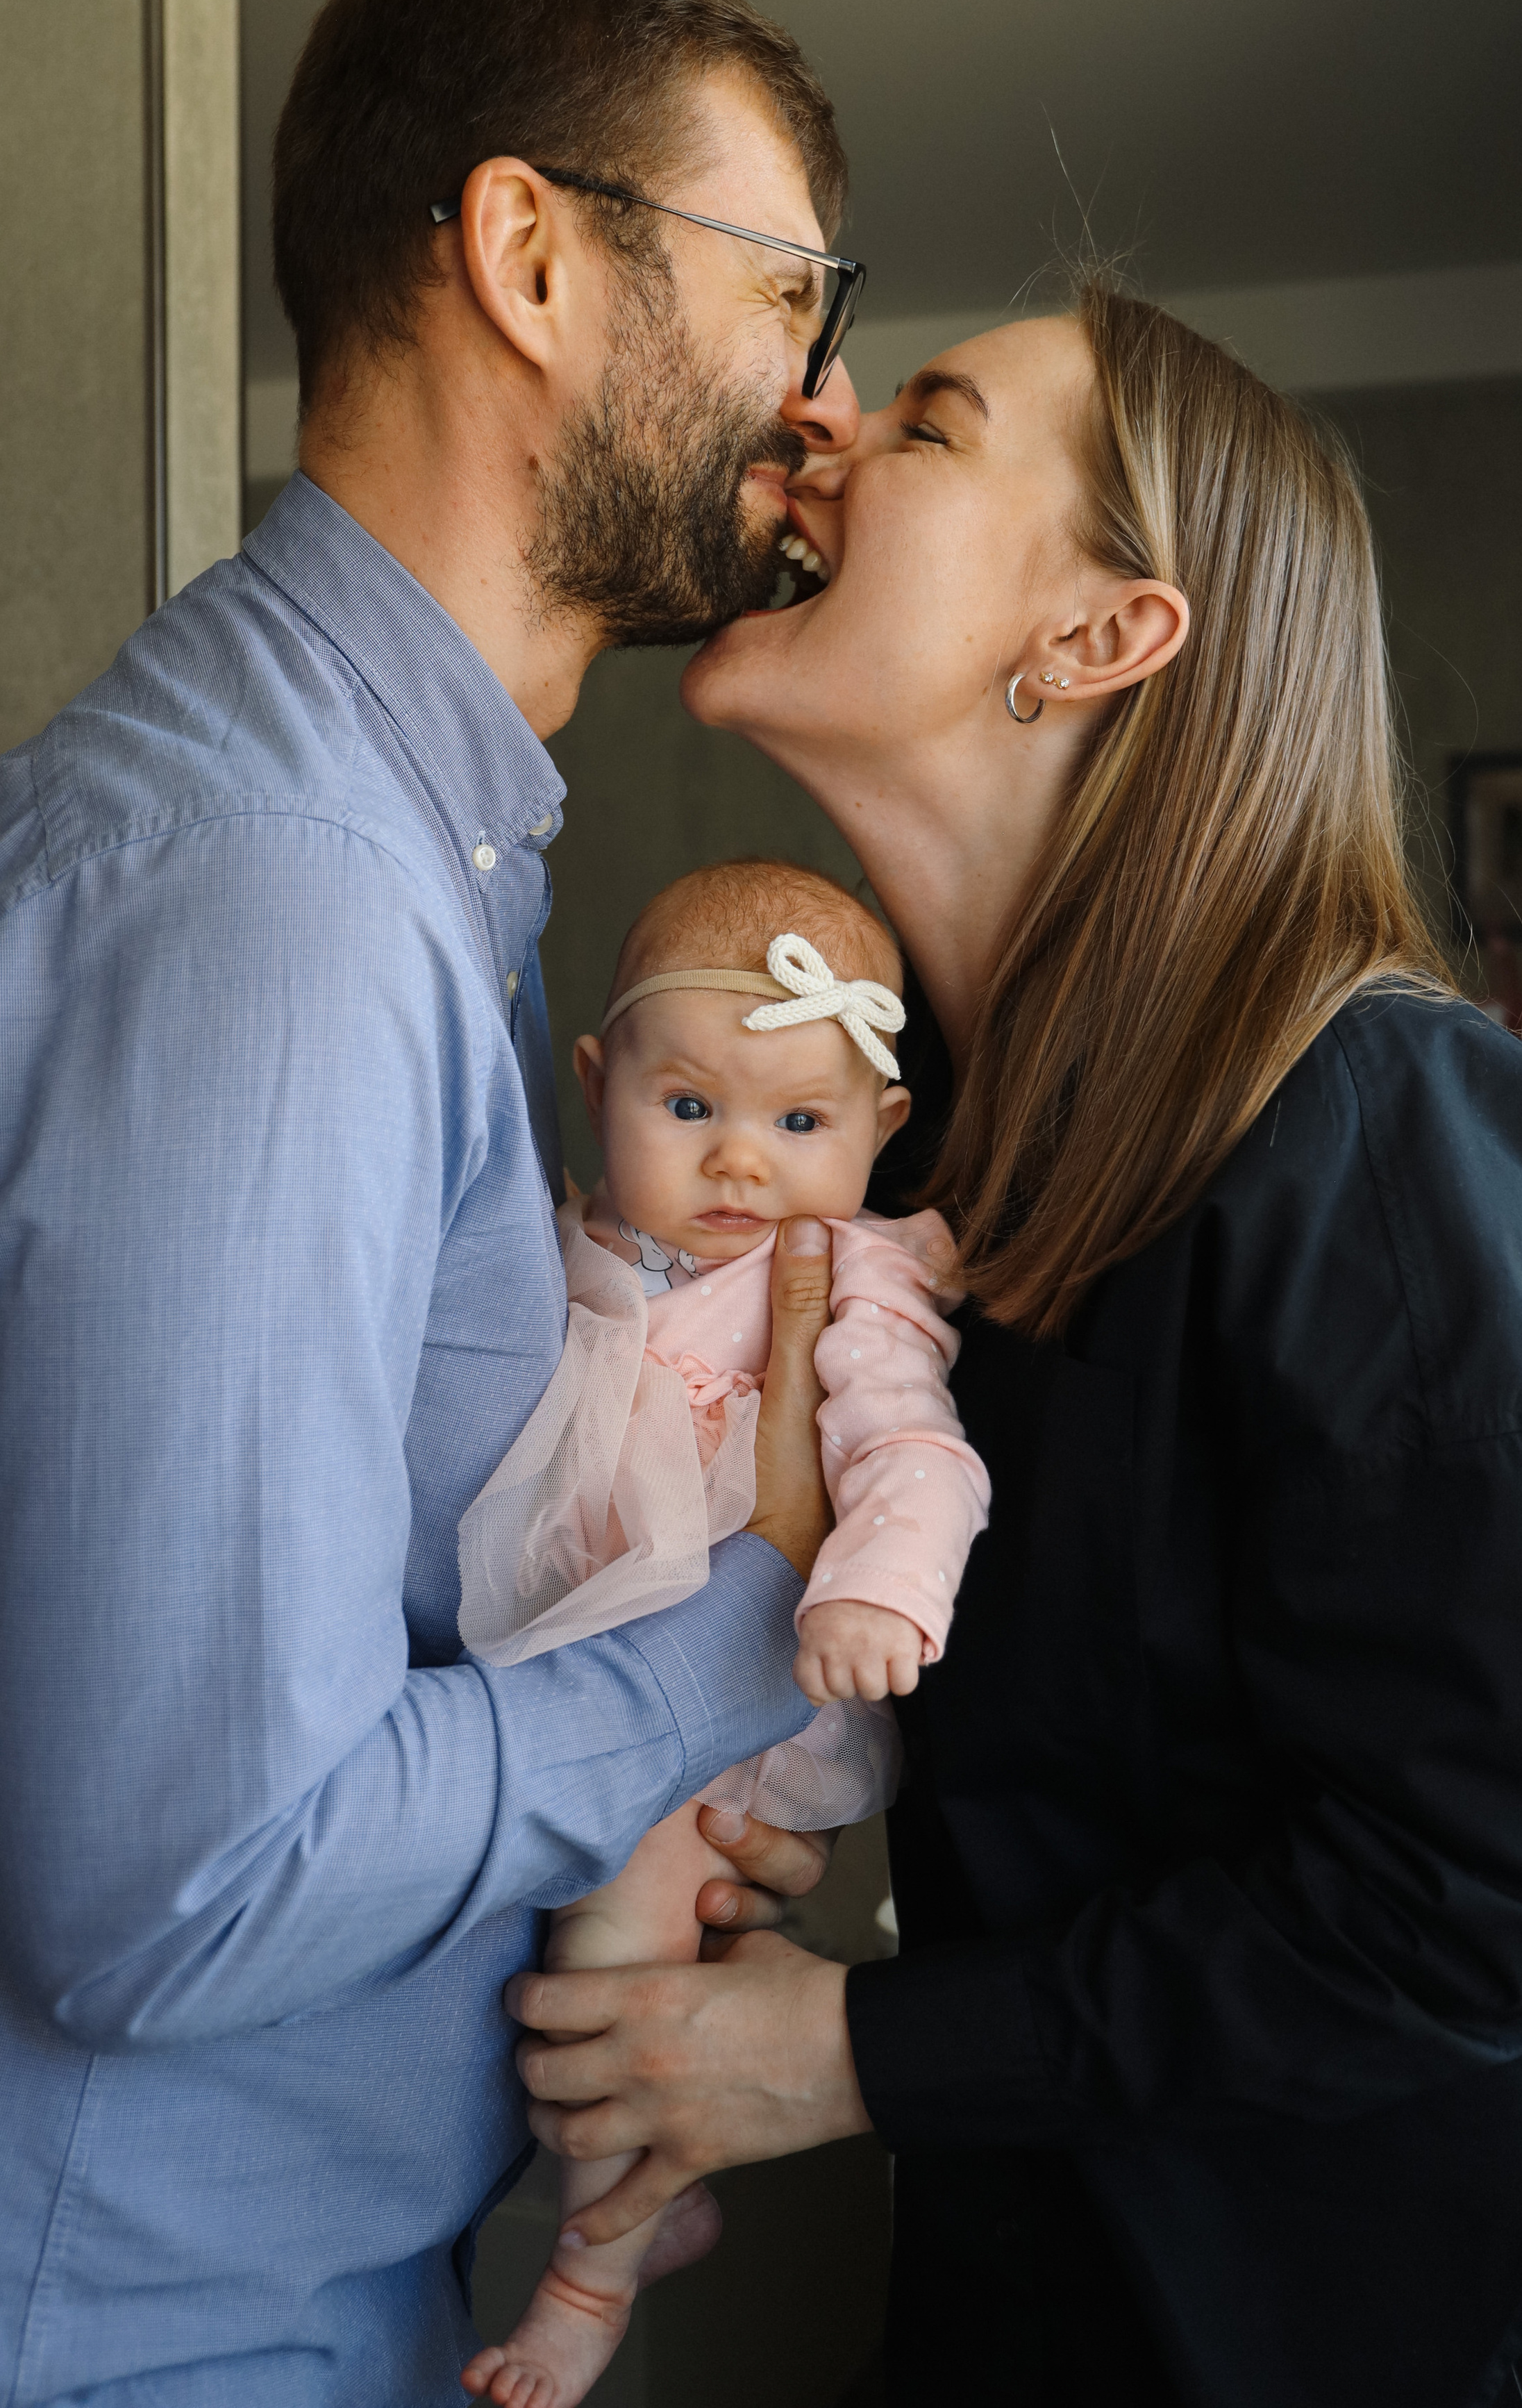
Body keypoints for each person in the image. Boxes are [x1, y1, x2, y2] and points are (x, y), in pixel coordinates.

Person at [505, 288, 1522, 2405]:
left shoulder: (1383, 1130)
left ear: (1095, 639)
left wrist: (844, 2049)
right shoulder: (947, 1188)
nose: (816, 426)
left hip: (1431, 2333)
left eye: (924, 423)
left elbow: (1465, 1902)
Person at [0, 0, 863, 2403]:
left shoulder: (411, 865)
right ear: (530, 260)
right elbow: (172, 1886)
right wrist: (731, 1645)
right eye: (781, 289)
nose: (817, 400)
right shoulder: (283, 902)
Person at [459, 857, 989, 2407]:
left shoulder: (853, 1286)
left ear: (879, 1131)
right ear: (595, 1080)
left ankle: (589, 2275)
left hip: (743, 1691)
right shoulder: (571, 1248)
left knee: (608, 1978)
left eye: (800, 1123)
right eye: (688, 1109)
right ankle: (660, 2197)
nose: (741, 1163)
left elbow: (914, 1457)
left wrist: (875, 1590)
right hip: (582, 1674)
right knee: (556, 1966)